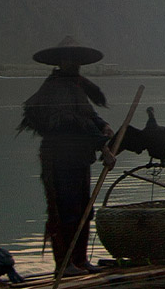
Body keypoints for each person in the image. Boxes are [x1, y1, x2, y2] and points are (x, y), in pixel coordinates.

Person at [19, 40, 113, 275]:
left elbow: (88, 115)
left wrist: (104, 125)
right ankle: (65, 264)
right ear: (61, 63)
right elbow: (75, 122)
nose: (74, 64)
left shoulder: (75, 87)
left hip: (79, 157)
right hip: (59, 158)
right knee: (65, 211)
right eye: (69, 60)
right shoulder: (56, 89)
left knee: (84, 209)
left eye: (76, 61)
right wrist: (104, 148)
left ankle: (80, 260)